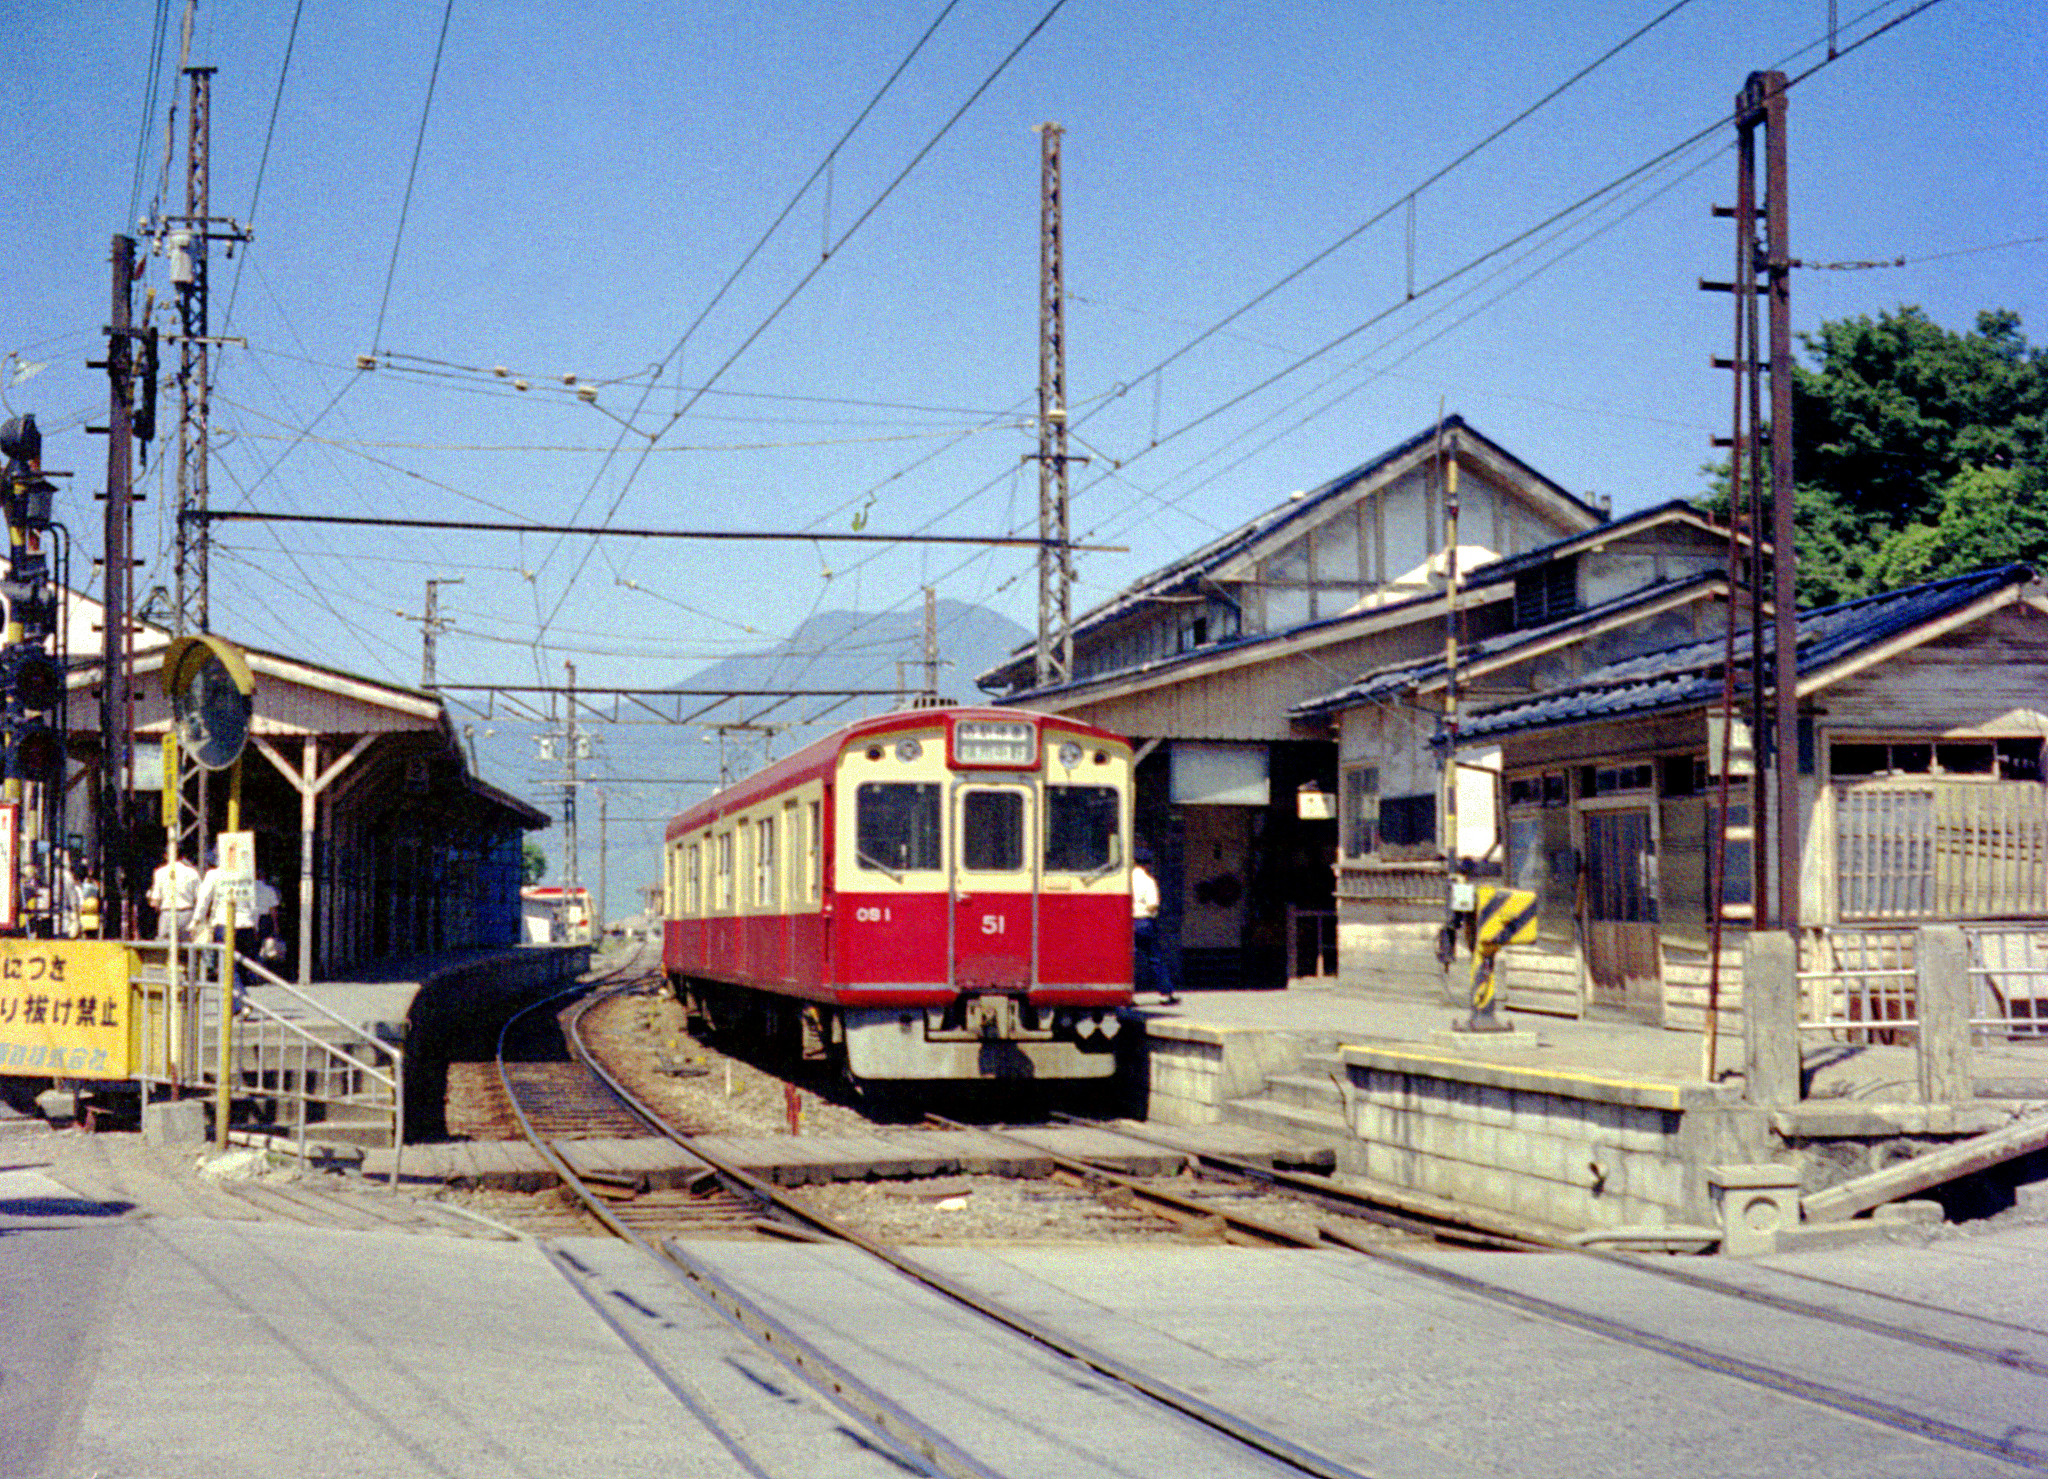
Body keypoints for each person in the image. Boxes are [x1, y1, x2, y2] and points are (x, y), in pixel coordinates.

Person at [1131, 844, 1179, 1005]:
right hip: (1145, 922)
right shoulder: (1148, 881)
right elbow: (1153, 905)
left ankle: (1126, 995)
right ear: (1148, 864)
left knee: (1129, 960)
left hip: (1127, 923)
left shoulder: (1126, 880)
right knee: (1155, 958)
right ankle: (1165, 994)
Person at [148, 853, 199, 941]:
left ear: (166, 856)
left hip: (167, 914)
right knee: (187, 947)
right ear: (183, 857)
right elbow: (199, 897)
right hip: (187, 914)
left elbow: (155, 902)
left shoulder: (160, 872)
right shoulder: (193, 873)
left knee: (165, 946)